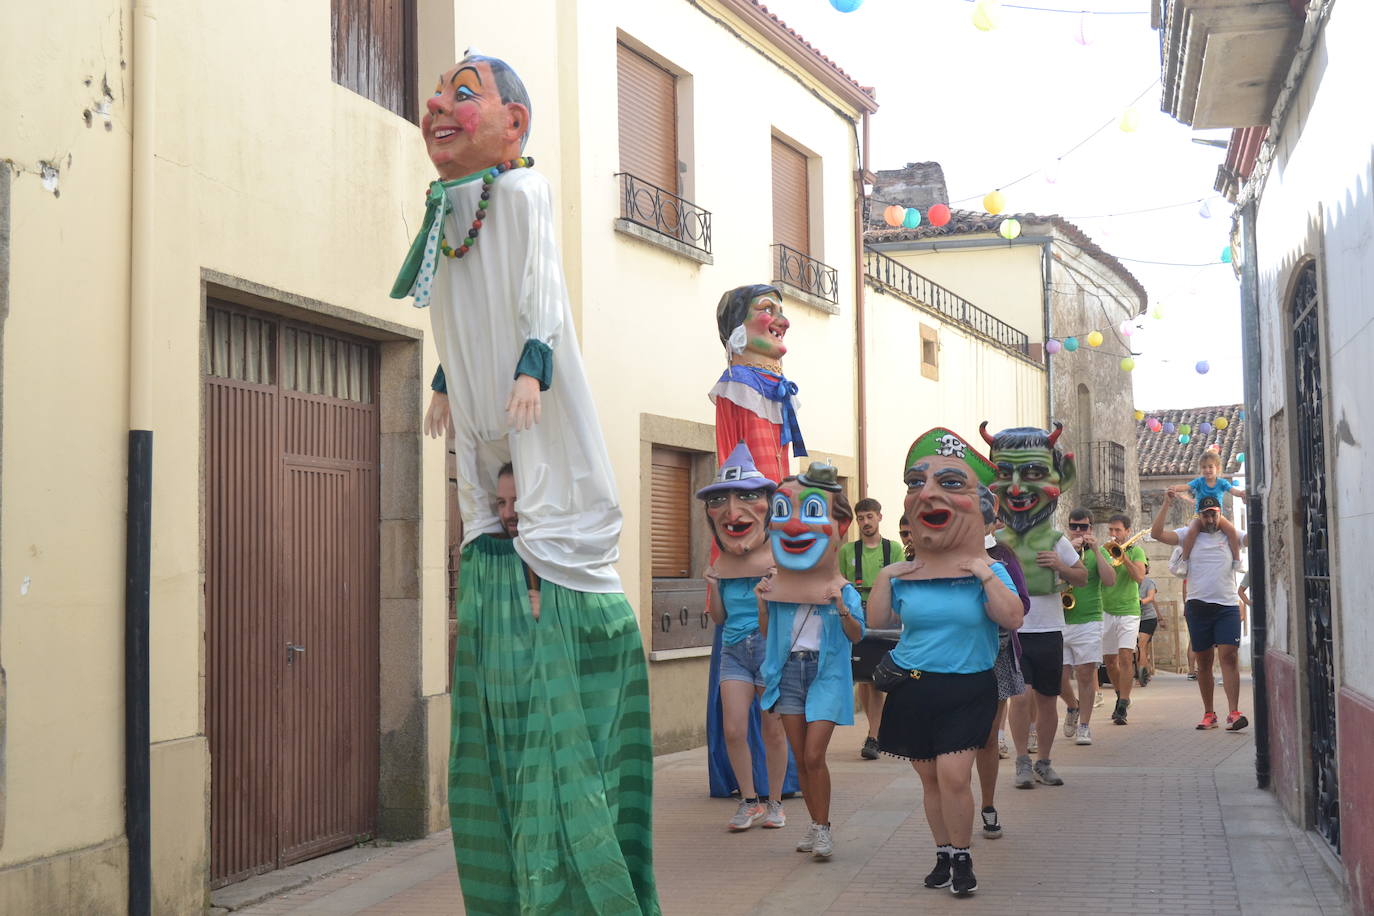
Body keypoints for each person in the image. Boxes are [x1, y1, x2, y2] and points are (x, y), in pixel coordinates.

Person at [392, 53, 658, 914]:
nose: (438, 103)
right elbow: (457, 313)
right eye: (439, 93)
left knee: (543, 474)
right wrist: (445, 380)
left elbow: (537, 288)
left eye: (465, 94)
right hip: (488, 419)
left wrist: (534, 366)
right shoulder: (448, 211)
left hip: (535, 407)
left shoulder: (523, 194)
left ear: (515, 126)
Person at [869, 427, 1025, 897]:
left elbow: (1013, 617)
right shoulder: (905, 572)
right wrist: (887, 573)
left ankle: (963, 857)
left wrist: (982, 572)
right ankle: (943, 853)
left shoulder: (990, 569)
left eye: (950, 483)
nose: (927, 493)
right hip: (913, 686)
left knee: (956, 775)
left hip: (967, 688)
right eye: (916, 483)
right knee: (931, 779)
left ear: (982, 507)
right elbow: (876, 621)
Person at [704, 284, 804, 801]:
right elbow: (746, 469)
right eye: (769, 311)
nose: (781, 321)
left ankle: (772, 780)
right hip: (757, 539)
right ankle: (756, 783)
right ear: (741, 329)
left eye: (782, 312)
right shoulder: (739, 384)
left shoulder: (765, 385)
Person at [757, 463, 864, 860]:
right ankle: (816, 824)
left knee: (816, 755)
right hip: (788, 673)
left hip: (825, 674)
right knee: (801, 757)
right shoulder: (779, 588)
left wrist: (841, 609)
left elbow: (858, 635)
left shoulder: (842, 589)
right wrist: (761, 600)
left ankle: (824, 830)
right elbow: (767, 632)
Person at [980, 423, 1088, 790]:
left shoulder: (1057, 540)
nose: (1015, 488)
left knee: (1047, 699)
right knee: (1020, 695)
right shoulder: (994, 540)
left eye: (1032, 473)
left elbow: (1082, 577)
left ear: (1062, 477)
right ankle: (1023, 763)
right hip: (1013, 633)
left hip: (1050, 629)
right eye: (1003, 474)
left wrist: (1060, 566)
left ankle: (1044, 760)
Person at [698, 444, 789, 832]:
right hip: (733, 651)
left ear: (768, 502)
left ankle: (775, 803)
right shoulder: (721, 560)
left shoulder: (782, 553)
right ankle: (749, 801)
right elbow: (719, 618)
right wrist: (714, 587)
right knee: (734, 728)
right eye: (720, 500)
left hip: (769, 647)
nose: (733, 510)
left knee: (773, 729)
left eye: (748, 496)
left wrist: (770, 596)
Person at [1152, 491, 1249, 730]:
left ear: (1219, 514)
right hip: (1198, 606)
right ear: (1199, 515)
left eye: (1213, 514)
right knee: (1203, 661)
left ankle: (1234, 712)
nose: (1209, 519)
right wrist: (1165, 504)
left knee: (1229, 655)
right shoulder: (1188, 535)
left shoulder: (1231, 535)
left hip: (1226, 605)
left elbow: (1256, 536)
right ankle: (1209, 713)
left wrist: (1250, 504)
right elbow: (1156, 534)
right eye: (1205, 514)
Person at [977, 506, 1030, 839]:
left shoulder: (1002, 556)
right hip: (953, 656)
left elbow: (1022, 603)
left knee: (987, 737)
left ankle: (987, 804)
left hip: (994, 654)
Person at [840, 498, 906, 759]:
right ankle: (875, 734)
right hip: (859, 617)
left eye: (869, 517)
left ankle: (879, 733)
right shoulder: (847, 552)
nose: (865, 522)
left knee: (884, 678)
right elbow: (842, 586)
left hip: (888, 618)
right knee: (866, 679)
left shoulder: (894, 549)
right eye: (861, 518)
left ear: (879, 517)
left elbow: (899, 584)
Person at [1059, 508, 1116, 747]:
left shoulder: (1099, 551)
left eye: (1084, 527)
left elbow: (1110, 580)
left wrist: (1095, 550)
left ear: (1091, 528)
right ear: (1068, 527)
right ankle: (1073, 706)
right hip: (1060, 619)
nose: (1079, 531)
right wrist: (1069, 553)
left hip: (1090, 619)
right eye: (1075, 526)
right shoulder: (1061, 548)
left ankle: (1084, 725)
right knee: (1056, 677)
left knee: (1084, 673)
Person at [1100, 514, 1146, 725]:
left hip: (1128, 610)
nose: (1113, 534)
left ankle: (1123, 705)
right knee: (1110, 661)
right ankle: (1120, 695)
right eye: (1111, 530)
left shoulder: (1136, 551)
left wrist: (1123, 556)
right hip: (1106, 610)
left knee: (1126, 656)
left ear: (1127, 531)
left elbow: (1139, 577)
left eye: (1118, 530)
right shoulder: (1102, 550)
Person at [1170, 448, 1246, 574]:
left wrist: (1241, 493)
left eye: (1210, 467)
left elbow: (1233, 491)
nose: (1207, 470)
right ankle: (1184, 561)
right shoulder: (1199, 482)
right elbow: (1186, 486)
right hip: (1200, 515)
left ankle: (1237, 560)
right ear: (1201, 469)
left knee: (1232, 531)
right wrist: (1175, 488)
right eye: (1204, 467)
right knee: (1191, 532)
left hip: (1217, 516)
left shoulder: (1221, 483)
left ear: (1217, 468)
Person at [1136, 563, 1159, 686]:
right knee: (1140, 648)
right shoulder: (1129, 581)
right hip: (1134, 618)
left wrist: (1139, 602)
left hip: (1148, 618)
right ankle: (1144, 671)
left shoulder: (1149, 583)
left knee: (1141, 645)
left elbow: (1151, 598)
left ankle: (1142, 676)